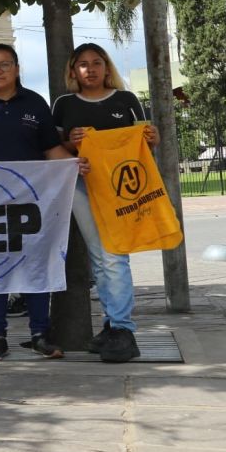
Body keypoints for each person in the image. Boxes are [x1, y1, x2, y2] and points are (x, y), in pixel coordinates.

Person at [0, 43, 88, 362]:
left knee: (36, 265)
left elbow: (51, 151)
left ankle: (40, 333)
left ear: (17, 68)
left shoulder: (35, 104)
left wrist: (73, 162)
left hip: (33, 202)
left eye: (4, 64)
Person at [52, 43, 158, 363]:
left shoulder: (126, 101)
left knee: (115, 257)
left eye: (96, 63)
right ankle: (112, 325)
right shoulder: (64, 103)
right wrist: (74, 142)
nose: (90, 69)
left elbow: (145, 145)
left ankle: (124, 330)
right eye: (82, 64)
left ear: (107, 67)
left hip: (122, 188)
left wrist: (153, 139)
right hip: (82, 186)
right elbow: (57, 147)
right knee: (100, 259)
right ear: (73, 71)